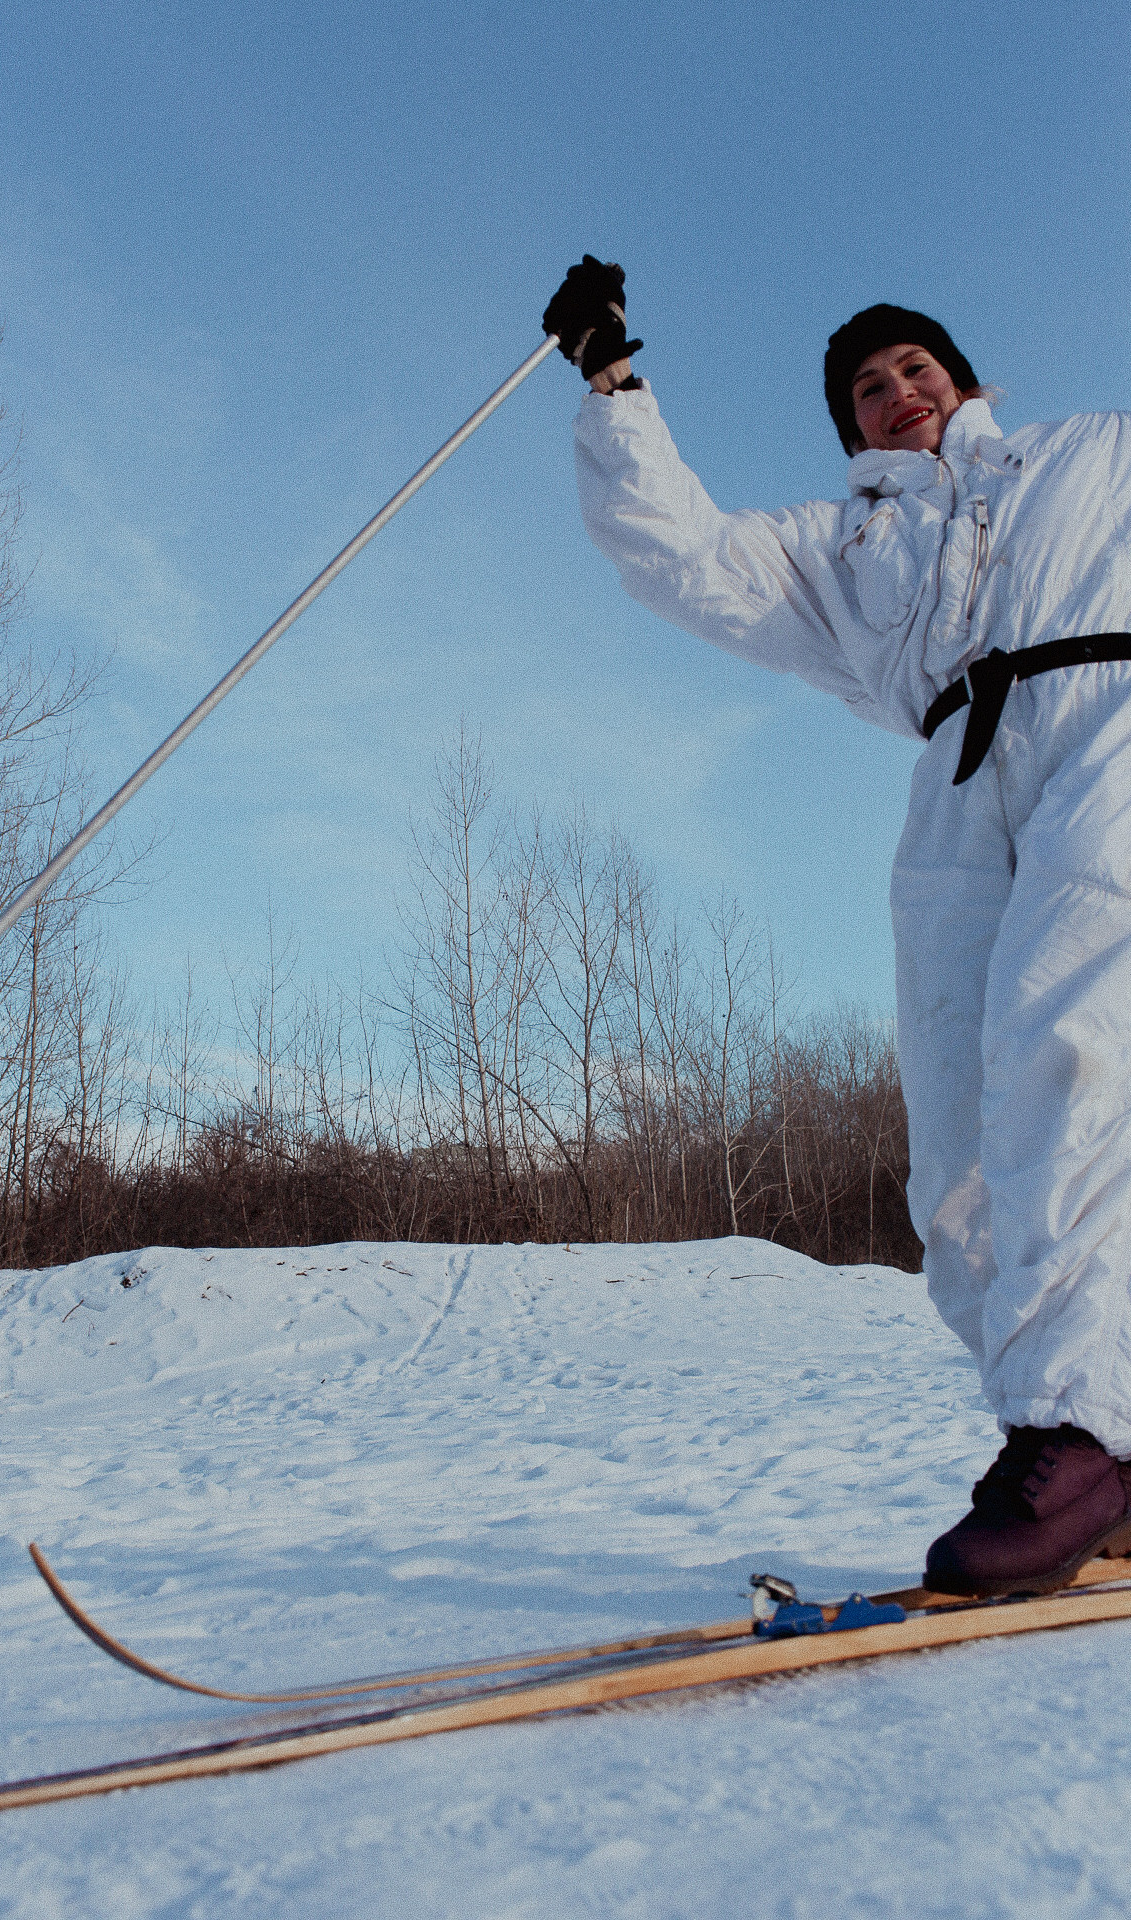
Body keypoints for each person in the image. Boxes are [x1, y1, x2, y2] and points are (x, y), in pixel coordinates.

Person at [543, 256, 1131, 1596]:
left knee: (1067, 1052)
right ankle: (1084, 1440)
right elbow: (679, 553)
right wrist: (612, 381)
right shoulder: (842, 548)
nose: (897, 392)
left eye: (916, 367)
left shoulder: (1090, 456)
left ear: (965, 380)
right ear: (850, 427)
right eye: (868, 388)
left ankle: (1082, 1433)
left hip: (1111, 727)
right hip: (958, 779)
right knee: (960, 1163)